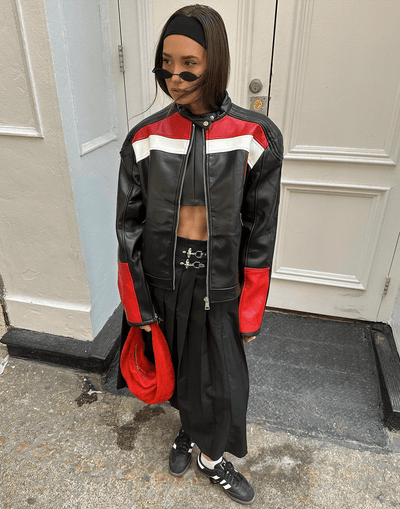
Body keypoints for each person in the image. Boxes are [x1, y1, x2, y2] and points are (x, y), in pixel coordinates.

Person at [116, 4, 283, 505]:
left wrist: (250, 309)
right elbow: (128, 229)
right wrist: (138, 306)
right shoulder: (145, 138)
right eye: (166, 63)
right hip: (164, 281)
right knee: (179, 371)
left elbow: (260, 232)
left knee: (224, 383)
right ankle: (189, 431)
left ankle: (213, 458)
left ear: (215, 62)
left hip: (220, 285)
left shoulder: (255, 136)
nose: (174, 76)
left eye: (189, 63)